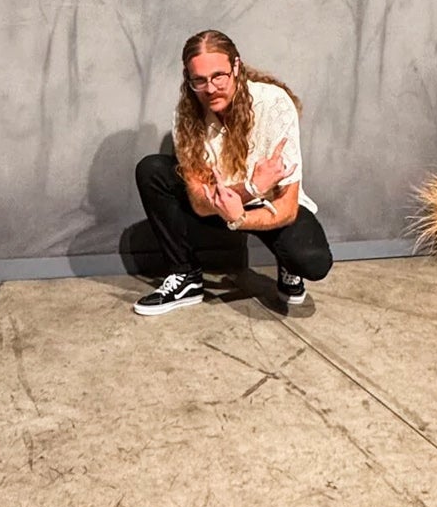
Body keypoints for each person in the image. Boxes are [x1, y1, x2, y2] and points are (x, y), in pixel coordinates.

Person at [133, 29, 333, 315]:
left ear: (236, 67)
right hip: (223, 203)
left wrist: (240, 216)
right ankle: (185, 276)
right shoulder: (186, 116)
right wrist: (250, 188)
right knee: (152, 170)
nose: (210, 88)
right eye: (199, 80)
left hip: (270, 206)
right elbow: (200, 204)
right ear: (188, 78)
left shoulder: (275, 103)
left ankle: (289, 266)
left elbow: (288, 209)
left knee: (312, 262)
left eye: (219, 76)